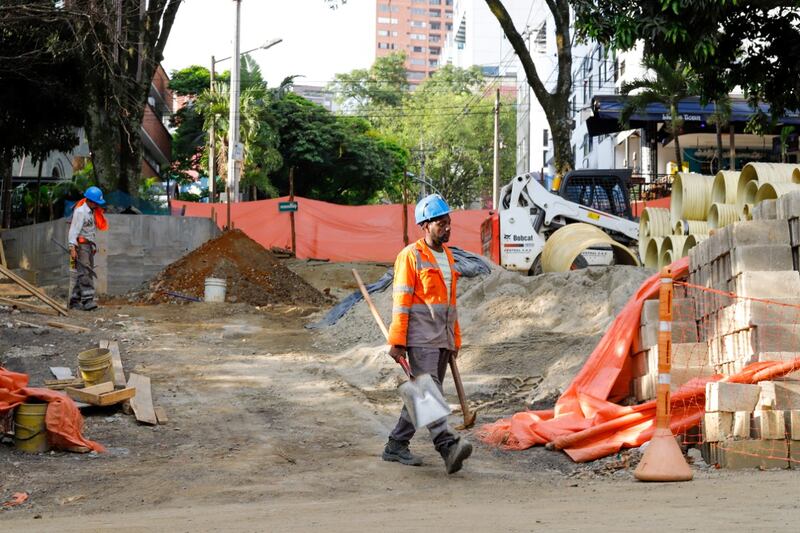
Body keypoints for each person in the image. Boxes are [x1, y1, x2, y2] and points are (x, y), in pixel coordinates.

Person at [383, 193, 473, 475]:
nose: (447, 228)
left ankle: (395, 445)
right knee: (429, 393)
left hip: (442, 338)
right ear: (425, 225)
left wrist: (454, 339)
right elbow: (402, 300)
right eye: (441, 224)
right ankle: (447, 447)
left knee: (423, 395)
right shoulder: (410, 256)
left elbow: (450, 302)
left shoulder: (448, 256)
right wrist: (397, 341)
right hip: (420, 338)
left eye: (448, 222)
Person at [68, 186, 108, 311]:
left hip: (89, 246)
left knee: (85, 271)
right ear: (91, 201)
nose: (97, 205)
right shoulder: (80, 212)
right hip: (81, 246)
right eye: (96, 203)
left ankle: (74, 300)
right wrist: (72, 248)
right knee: (85, 272)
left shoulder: (92, 212)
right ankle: (88, 301)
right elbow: (73, 231)